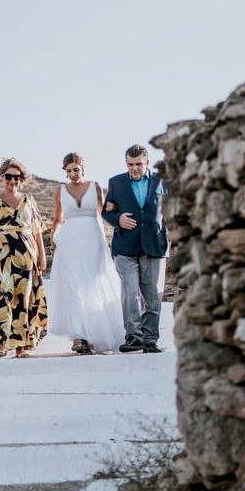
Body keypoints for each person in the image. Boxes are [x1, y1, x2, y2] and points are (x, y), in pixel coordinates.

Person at [49, 152, 125, 354]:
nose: (73, 173)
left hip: (93, 240)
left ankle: (94, 333)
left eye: (76, 169)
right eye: (68, 171)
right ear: (65, 172)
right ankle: (78, 336)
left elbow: (103, 214)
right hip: (69, 242)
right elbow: (58, 219)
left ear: (82, 168)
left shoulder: (95, 187)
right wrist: (53, 235)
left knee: (92, 284)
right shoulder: (60, 191)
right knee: (73, 286)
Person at [0, 158, 48, 357]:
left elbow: (37, 231)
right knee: (2, 297)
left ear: (22, 179)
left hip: (26, 256)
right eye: (9, 176)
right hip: (0, 256)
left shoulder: (28, 201)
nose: (13, 180)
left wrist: (42, 256)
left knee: (23, 300)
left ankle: (20, 347)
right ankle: (1, 344)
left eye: (17, 177)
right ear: (2, 177)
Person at [102, 144, 167, 353]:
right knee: (130, 293)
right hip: (125, 247)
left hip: (154, 245)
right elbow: (106, 211)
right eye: (130, 164)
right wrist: (118, 219)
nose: (135, 168)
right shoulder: (116, 183)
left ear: (147, 163)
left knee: (153, 296)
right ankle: (133, 337)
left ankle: (150, 339)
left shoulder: (161, 182)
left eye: (139, 164)